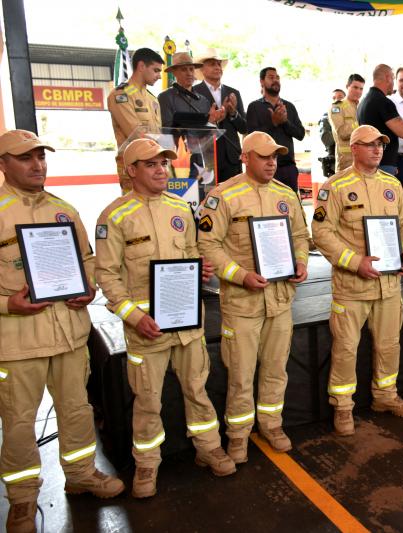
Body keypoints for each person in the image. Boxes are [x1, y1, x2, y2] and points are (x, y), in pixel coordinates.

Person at [95, 138, 236, 498]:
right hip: (146, 329)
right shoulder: (114, 216)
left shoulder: (180, 207)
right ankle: (147, 464)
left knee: (197, 389)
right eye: (151, 164)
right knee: (147, 401)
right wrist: (133, 316)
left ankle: (209, 448)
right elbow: (107, 276)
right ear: (131, 170)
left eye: (163, 163)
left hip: (187, 321)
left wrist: (200, 269)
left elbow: (191, 253)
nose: (161, 170)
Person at [0, 130, 124, 533]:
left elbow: (87, 260)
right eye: (26, 158)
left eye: (41, 156)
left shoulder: (64, 210)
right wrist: (8, 304)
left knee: (77, 409)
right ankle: (22, 500)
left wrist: (88, 287)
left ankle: (82, 474)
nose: (38, 165)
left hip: (69, 333)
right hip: (19, 341)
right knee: (19, 423)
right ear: (3, 164)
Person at [197, 132, 310, 459]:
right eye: (263, 156)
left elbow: (300, 236)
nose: (271, 163)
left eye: (274, 156)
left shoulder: (285, 194)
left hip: (279, 299)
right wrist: (240, 275)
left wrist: (301, 262)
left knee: (276, 369)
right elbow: (207, 245)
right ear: (245, 157)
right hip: (242, 302)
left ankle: (272, 424)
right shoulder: (223, 196)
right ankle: (238, 435)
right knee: (241, 374)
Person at [312, 125, 403, 436]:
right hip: (352, 287)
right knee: (346, 348)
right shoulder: (335, 187)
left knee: (389, 344)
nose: (377, 149)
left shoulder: (392, 184)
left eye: (380, 144)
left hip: (388, 284)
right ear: (354, 148)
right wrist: (355, 262)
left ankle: (385, 395)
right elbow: (321, 233)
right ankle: (343, 406)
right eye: (370, 145)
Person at [107, 47, 164, 193]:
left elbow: (159, 133)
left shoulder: (152, 98)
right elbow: (134, 133)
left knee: (156, 204)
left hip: (155, 162)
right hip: (133, 164)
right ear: (141, 66)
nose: (159, 76)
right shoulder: (120, 95)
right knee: (135, 205)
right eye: (156, 70)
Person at [357, 64, 403, 177]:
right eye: (394, 79)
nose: (393, 83)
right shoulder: (383, 101)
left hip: (370, 161)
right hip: (383, 163)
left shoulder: (363, 101)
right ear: (388, 78)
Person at [246, 67, 306, 191]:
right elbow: (252, 138)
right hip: (264, 168)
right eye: (271, 77)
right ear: (262, 81)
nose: (276, 80)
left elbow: (300, 134)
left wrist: (285, 122)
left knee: (290, 202)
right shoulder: (254, 107)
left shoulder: (289, 106)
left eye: (277, 77)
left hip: (288, 167)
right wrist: (273, 123)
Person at [193, 49, 247, 183]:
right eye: (212, 64)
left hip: (231, 157)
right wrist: (213, 120)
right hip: (206, 157)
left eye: (218, 64)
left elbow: (244, 128)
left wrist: (233, 113)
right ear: (202, 69)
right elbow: (193, 129)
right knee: (209, 195)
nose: (217, 67)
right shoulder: (194, 93)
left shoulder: (233, 92)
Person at [157, 52, 225, 130]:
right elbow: (166, 129)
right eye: (184, 69)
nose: (189, 73)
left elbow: (210, 131)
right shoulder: (165, 97)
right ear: (174, 72)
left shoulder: (203, 100)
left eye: (191, 69)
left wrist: (213, 121)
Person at [330, 74, 364, 172]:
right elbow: (342, 133)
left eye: (361, 89)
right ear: (347, 86)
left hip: (362, 160)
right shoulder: (337, 107)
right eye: (355, 87)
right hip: (346, 162)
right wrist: (362, 127)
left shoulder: (362, 106)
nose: (358, 91)